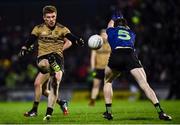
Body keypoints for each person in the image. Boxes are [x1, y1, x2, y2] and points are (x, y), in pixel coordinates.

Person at [102, 11, 172, 121]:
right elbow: (126, 28)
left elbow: (109, 25)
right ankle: (161, 112)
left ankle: (109, 113)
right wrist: (122, 20)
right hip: (130, 55)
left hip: (116, 55)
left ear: (115, 25)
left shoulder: (111, 31)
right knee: (144, 84)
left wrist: (113, 18)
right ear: (126, 25)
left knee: (108, 81)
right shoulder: (132, 33)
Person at [19, 5, 84, 121]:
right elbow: (30, 39)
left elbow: (71, 38)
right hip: (43, 57)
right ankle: (61, 102)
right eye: (48, 17)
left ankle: (41, 111)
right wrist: (24, 48)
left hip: (57, 57)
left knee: (47, 83)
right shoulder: (38, 28)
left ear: (56, 16)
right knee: (42, 85)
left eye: (53, 17)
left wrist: (78, 40)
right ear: (44, 17)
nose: (51, 19)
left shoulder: (62, 29)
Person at [23, 37, 72, 117]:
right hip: (44, 60)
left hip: (53, 62)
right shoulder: (41, 31)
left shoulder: (58, 29)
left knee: (38, 84)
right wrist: (29, 47)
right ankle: (62, 102)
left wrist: (59, 51)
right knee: (44, 91)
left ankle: (34, 110)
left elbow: (69, 42)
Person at [88, 29, 111, 106]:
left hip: (108, 68)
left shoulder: (111, 44)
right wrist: (92, 67)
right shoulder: (96, 44)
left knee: (107, 85)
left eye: (105, 34)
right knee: (96, 85)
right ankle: (92, 100)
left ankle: (108, 101)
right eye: (103, 34)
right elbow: (93, 57)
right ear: (100, 36)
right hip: (98, 68)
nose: (104, 36)